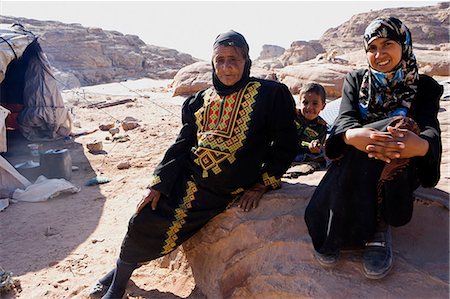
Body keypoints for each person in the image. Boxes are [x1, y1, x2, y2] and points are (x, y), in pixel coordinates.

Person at [89, 30, 298, 299]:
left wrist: (262, 183)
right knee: (144, 216)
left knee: (162, 227)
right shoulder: (199, 101)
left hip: (226, 189)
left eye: (233, 59)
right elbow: (181, 145)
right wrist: (159, 183)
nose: (226, 66)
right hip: (188, 178)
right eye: (219, 60)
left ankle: (117, 275)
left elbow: (286, 142)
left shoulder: (270, 95)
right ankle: (117, 282)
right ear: (212, 63)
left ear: (247, 61)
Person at [304, 17, 442, 279]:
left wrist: (421, 146)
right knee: (374, 136)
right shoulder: (356, 80)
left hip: (398, 164)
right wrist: (353, 135)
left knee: (403, 127)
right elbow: (345, 119)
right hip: (358, 160)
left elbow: (429, 128)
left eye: (388, 44)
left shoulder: (425, 87)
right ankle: (352, 225)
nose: (379, 54)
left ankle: (378, 224)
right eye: (372, 47)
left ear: (404, 45)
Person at [293, 83, 327, 168]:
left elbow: (318, 144)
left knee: (322, 154)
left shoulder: (321, 126)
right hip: (286, 147)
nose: (309, 107)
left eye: (315, 103)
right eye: (305, 102)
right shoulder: (292, 115)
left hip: (304, 151)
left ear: (323, 106)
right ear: (300, 102)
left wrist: (314, 147)